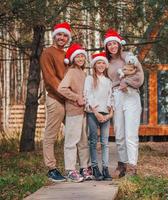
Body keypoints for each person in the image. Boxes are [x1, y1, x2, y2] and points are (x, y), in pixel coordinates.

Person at [104, 29, 144, 177]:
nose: (112, 46)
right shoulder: (108, 63)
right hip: (117, 97)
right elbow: (107, 83)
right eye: (109, 44)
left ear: (119, 44)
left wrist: (126, 81)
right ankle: (122, 165)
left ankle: (132, 168)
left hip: (131, 96)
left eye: (114, 43)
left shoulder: (128, 57)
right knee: (119, 134)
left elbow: (140, 77)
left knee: (130, 134)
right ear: (106, 47)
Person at [40, 22, 71, 182]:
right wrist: (68, 95)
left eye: (65, 35)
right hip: (56, 99)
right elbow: (50, 79)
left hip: (68, 100)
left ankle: (74, 168)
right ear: (54, 35)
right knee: (51, 134)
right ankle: (51, 169)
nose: (62, 38)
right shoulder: (47, 53)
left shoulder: (66, 55)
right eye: (60, 34)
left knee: (74, 133)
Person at [58, 44, 92, 182]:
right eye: (77, 56)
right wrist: (76, 97)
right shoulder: (71, 72)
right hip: (73, 111)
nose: (80, 58)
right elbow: (62, 89)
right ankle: (71, 170)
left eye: (82, 56)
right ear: (73, 58)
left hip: (83, 112)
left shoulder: (83, 73)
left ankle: (84, 168)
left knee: (83, 141)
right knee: (71, 141)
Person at [84, 51, 113, 181]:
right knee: (93, 140)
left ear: (105, 65)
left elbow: (110, 97)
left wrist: (109, 113)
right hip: (93, 113)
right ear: (94, 65)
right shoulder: (89, 79)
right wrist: (96, 112)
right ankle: (95, 167)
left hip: (106, 114)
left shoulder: (108, 81)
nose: (100, 65)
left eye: (103, 63)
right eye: (98, 63)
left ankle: (105, 168)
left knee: (105, 142)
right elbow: (88, 95)